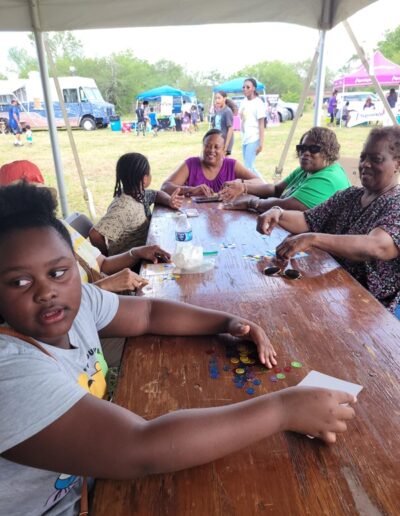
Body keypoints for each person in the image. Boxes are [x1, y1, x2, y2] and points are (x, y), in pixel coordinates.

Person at [0, 182, 357, 516]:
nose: (46, 291)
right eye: (19, 281)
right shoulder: (9, 372)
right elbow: (140, 448)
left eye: (58, 272)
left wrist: (226, 323)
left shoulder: (76, 302)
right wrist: (283, 409)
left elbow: (149, 312)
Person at [256, 126, 400, 316]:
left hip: (372, 309)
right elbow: (308, 220)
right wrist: (278, 212)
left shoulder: (396, 203)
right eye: (363, 157)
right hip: (336, 290)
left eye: (376, 159)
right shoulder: (350, 196)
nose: (365, 164)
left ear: (398, 164)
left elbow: (376, 246)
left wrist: (313, 239)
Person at [0, 159, 170, 295]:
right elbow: (51, 304)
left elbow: (101, 264)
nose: (29, 210)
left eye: (34, 199)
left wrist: (137, 252)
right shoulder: (14, 254)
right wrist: (104, 286)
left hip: (109, 303)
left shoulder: (59, 227)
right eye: (18, 204)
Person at [220, 127, 350, 212]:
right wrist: (243, 187)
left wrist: (251, 202)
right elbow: (276, 190)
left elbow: (285, 206)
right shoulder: (306, 170)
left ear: (328, 152)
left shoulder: (328, 178)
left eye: (313, 149)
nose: (305, 153)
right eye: (302, 148)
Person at [90, 153, 184, 255]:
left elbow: (156, 194)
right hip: (132, 262)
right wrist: (106, 258)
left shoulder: (137, 192)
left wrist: (168, 200)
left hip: (144, 248)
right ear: (144, 179)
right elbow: (95, 235)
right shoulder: (124, 207)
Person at [161, 129, 263, 197]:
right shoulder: (191, 164)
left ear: (223, 150)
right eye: (207, 146)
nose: (211, 150)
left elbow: (259, 182)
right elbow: (165, 187)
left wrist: (241, 185)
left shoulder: (232, 165)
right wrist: (191, 190)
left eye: (216, 147)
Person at [239, 78, 265, 177]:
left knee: (248, 168)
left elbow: (261, 124)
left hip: (254, 138)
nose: (245, 89)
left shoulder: (258, 103)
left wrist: (261, 144)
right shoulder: (243, 102)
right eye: (243, 87)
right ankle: (264, 186)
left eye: (248, 87)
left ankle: (263, 186)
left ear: (253, 88)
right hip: (245, 139)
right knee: (249, 167)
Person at [212, 91, 234, 155]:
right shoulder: (218, 111)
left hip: (225, 142)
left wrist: (226, 146)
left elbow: (230, 129)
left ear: (224, 99)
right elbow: (214, 127)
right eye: (216, 98)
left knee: (224, 162)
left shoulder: (227, 111)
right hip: (218, 141)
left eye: (219, 98)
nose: (217, 100)